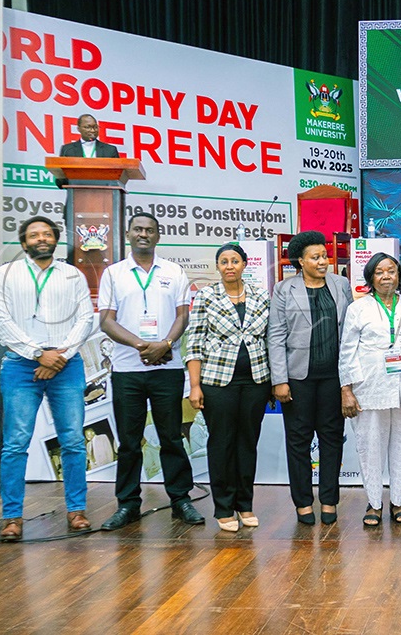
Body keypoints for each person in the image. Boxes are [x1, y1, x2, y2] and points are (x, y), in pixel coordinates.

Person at [0, 216, 95, 540]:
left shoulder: (72, 275)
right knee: (15, 444)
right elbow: (1, 321)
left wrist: (58, 356)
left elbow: (85, 318)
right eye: (34, 235)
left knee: (74, 441)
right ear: (24, 243)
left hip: (66, 363)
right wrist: (38, 354)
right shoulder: (4, 275)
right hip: (21, 366)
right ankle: (12, 518)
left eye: (47, 234)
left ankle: (76, 511)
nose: (41, 238)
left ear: (55, 240)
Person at [98, 212, 203, 530]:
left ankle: (180, 499)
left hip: (167, 367)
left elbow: (183, 315)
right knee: (129, 441)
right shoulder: (114, 274)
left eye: (150, 230)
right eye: (138, 229)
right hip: (128, 369)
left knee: (171, 436)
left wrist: (166, 343)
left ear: (158, 236)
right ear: (128, 234)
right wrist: (143, 346)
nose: (144, 234)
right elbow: (106, 320)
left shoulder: (174, 271)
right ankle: (128, 504)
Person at [184, 243, 272, 532]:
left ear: (245, 264)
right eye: (224, 261)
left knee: (247, 443)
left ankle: (245, 504)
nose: (230, 266)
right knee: (221, 444)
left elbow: (271, 338)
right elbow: (194, 344)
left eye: (235, 260)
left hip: (256, 381)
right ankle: (223, 507)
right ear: (218, 267)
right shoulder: (207, 297)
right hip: (217, 383)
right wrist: (195, 386)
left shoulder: (261, 295)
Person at [339, 253, 401, 526]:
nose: (386, 276)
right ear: (370, 278)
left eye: (391, 271)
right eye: (379, 272)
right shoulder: (358, 308)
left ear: (398, 275)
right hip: (369, 388)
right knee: (370, 446)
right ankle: (374, 502)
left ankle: (398, 500)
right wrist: (346, 389)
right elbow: (346, 351)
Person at [268, 231, 353, 525]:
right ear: (300, 261)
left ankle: (329, 500)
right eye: (315, 257)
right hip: (298, 377)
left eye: (325, 256)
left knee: (332, 440)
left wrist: (350, 379)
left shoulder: (341, 285)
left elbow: (351, 332)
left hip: (333, 376)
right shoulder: (284, 289)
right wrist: (279, 379)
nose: (323, 262)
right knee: (299, 440)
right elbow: (276, 335)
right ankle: (303, 502)